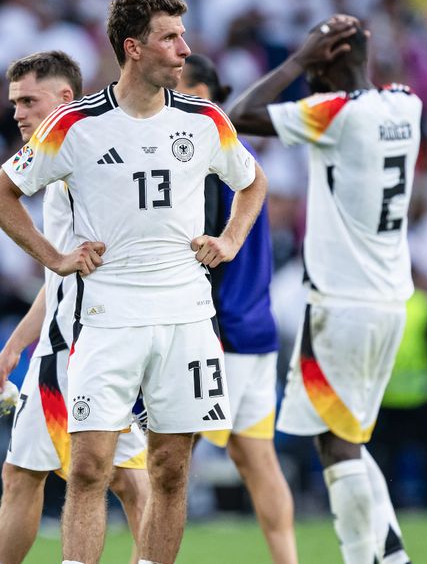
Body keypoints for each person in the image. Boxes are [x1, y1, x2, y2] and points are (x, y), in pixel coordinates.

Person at [0, 0, 267, 564]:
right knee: (88, 468)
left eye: (183, 36)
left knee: (170, 468)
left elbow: (253, 180)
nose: (184, 50)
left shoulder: (206, 118)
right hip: (108, 319)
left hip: (187, 316)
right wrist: (55, 257)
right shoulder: (74, 125)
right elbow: (0, 194)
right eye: (171, 37)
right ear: (133, 48)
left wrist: (231, 239)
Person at [229, 14, 419, 564]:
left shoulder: (337, 114)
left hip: (340, 303)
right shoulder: (406, 103)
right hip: (386, 300)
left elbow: (238, 115)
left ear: (328, 59)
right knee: (344, 437)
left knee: (338, 442)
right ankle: (383, 554)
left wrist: (296, 61)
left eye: (318, 57)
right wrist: (324, 63)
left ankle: (374, 558)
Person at [0, 51, 150, 564]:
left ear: (65, 99)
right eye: (13, 104)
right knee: (25, 474)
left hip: (82, 348)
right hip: (62, 343)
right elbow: (63, 273)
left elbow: (60, 255)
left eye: (28, 101)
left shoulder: (80, 158)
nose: (18, 114)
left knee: (124, 478)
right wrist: (14, 347)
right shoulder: (66, 163)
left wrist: (55, 258)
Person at [177, 54, 297, 564]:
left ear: (208, 93)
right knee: (256, 458)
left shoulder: (203, 158)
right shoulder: (242, 156)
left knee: (168, 458)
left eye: (184, 88)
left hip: (218, 332)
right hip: (255, 330)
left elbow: (199, 251)